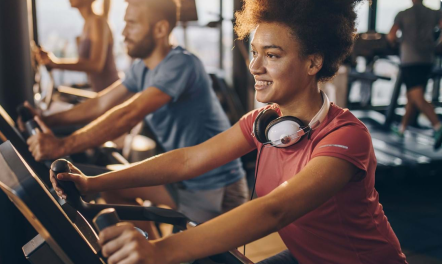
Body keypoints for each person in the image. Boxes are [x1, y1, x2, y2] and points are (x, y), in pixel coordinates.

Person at [50, 0, 409, 263]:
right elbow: (189, 159)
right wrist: (91, 183)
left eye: (272, 55)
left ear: (313, 62)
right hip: (304, 256)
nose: (255, 66)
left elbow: (275, 210)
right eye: (254, 52)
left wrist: (160, 251)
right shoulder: (264, 122)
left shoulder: (346, 136)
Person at [28, 0, 248, 239]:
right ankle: (151, 247)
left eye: (132, 24)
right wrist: (46, 120)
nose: (123, 32)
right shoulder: (142, 68)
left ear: (160, 29)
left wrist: (62, 146)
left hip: (215, 189)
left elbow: (128, 114)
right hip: (182, 179)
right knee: (113, 185)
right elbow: (101, 102)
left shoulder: (182, 64)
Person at [388, 0, 442, 150]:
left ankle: (438, 126)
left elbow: (391, 35)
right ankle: (402, 129)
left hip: (410, 59)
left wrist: (397, 43)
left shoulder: (403, 14)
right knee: (412, 95)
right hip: (427, 59)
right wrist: (438, 43)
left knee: (416, 95)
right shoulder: (434, 13)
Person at [37, 0, 119, 92]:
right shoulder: (87, 23)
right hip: (99, 91)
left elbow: (96, 65)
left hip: (111, 91)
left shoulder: (97, 22)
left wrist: (55, 63)